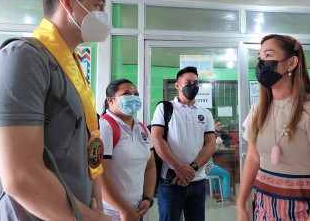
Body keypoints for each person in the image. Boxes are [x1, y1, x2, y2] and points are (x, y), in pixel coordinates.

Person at [0, 0, 111, 220]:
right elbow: (20, 177)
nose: (103, 15)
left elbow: (89, 150)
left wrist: (98, 206)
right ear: (68, 1)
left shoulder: (72, 66)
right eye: (98, 5)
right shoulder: (23, 57)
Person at [237, 34, 310, 220]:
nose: (261, 64)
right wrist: (241, 205)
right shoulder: (258, 108)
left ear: (291, 63)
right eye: (260, 58)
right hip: (264, 210)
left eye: (268, 56)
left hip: (303, 212)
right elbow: (252, 158)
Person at [151, 66, 215, 221]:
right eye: (188, 82)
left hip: (197, 181)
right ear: (178, 85)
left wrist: (191, 169)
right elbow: (157, 139)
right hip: (171, 181)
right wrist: (178, 167)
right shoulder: (164, 108)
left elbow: (210, 145)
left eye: (196, 82)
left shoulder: (205, 113)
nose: (192, 86)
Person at [100, 79, 156, 221]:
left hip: (136, 210)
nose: (133, 97)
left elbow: (150, 166)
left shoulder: (142, 128)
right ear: (110, 100)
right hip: (111, 213)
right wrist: (123, 210)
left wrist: (148, 198)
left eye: (136, 93)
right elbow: (99, 174)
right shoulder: (105, 126)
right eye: (126, 93)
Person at [205, 134, 236, 204]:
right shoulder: (207, 143)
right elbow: (213, 149)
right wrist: (217, 144)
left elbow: (213, 149)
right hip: (208, 168)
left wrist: (217, 144)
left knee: (217, 174)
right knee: (226, 174)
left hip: (203, 168)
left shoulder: (202, 142)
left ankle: (217, 192)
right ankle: (226, 196)